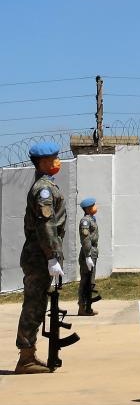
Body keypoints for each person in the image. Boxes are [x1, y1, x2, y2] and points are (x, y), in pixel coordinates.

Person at [14, 142, 67, 374]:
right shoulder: (44, 189)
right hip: (39, 256)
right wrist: (52, 256)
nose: (58, 162)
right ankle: (26, 358)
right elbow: (46, 226)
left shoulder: (45, 185)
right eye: (54, 158)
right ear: (44, 162)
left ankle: (28, 354)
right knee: (34, 305)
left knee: (38, 303)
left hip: (39, 255)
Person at [77, 197, 100, 317]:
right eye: (93, 205)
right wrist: (88, 256)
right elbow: (85, 239)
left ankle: (88, 307)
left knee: (90, 281)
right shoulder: (85, 221)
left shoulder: (91, 219)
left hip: (92, 251)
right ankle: (82, 307)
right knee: (85, 281)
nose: (95, 207)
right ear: (88, 208)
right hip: (88, 252)